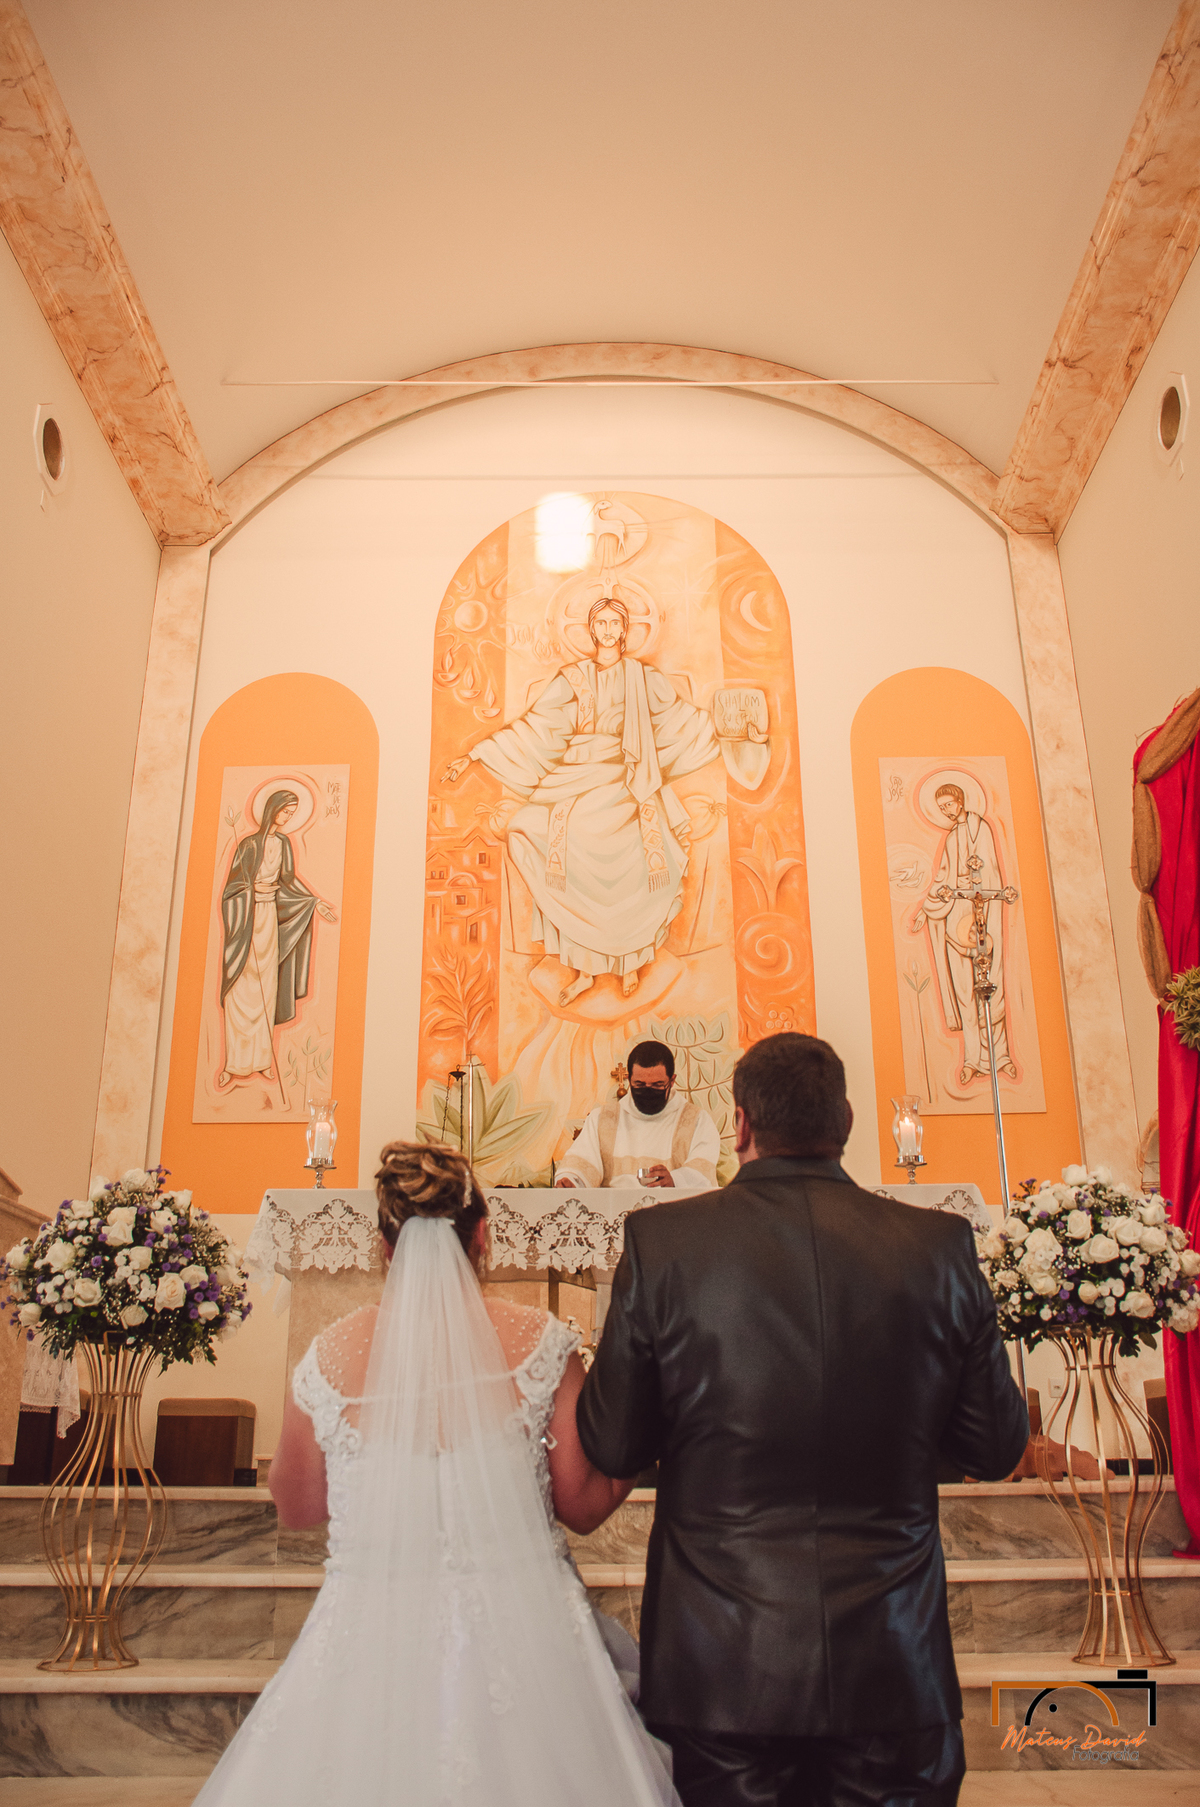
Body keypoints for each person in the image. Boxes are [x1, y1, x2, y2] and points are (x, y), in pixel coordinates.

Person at [577, 1032, 1028, 1807]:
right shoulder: (939, 1245)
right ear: (847, 1119)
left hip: (720, 1665)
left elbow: (614, 1441)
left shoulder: (664, 1243)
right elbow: (995, 1445)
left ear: (741, 1124)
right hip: (894, 1661)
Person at [193, 1142, 676, 1807]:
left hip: (369, 1647)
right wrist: (651, 1438)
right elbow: (585, 1503)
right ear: (482, 1234)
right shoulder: (540, 1344)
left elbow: (297, 1505)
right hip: (525, 1650)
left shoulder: (328, 1355)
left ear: (385, 1247)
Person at [442, 596, 720, 1005]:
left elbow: (681, 718)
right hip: (574, 777)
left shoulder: (644, 678)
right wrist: (477, 753)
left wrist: (729, 728)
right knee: (529, 829)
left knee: (634, 856)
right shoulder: (571, 679)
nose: (608, 630)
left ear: (625, 629)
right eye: (601, 623)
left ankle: (629, 962)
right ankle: (585, 970)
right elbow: (536, 727)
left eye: (614, 623)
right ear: (591, 630)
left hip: (628, 777)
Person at [218, 789, 336, 1088]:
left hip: (269, 918)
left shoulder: (283, 843)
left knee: (266, 987)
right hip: (246, 921)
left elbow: (288, 879)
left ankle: (261, 1061)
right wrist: (250, 893)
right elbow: (232, 888)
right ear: (272, 810)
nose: (288, 817)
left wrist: (315, 902)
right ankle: (234, 1064)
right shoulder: (249, 844)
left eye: (292, 813)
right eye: (285, 811)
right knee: (241, 991)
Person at [912, 782, 1018, 1087]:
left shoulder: (980, 829)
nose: (946, 811)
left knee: (990, 986)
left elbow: (990, 873)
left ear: (960, 801)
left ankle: (1001, 1057)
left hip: (982, 919)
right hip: (955, 921)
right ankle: (972, 1060)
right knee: (964, 994)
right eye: (941, 807)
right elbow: (943, 877)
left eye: (949, 804)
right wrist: (924, 909)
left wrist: (978, 896)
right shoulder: (951, 838)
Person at [555, 1039, 720, 1191]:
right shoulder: (602, 1120)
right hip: (616, 1216)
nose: (648, 1091)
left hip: (672, 1215)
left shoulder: (696, 1121)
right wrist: (571, 1181)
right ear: (629, 1079)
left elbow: (703, 1172)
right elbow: (581, 1163)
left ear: (672, 1081)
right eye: (639, 1084)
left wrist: (675, 1180)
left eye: (657, 1085)